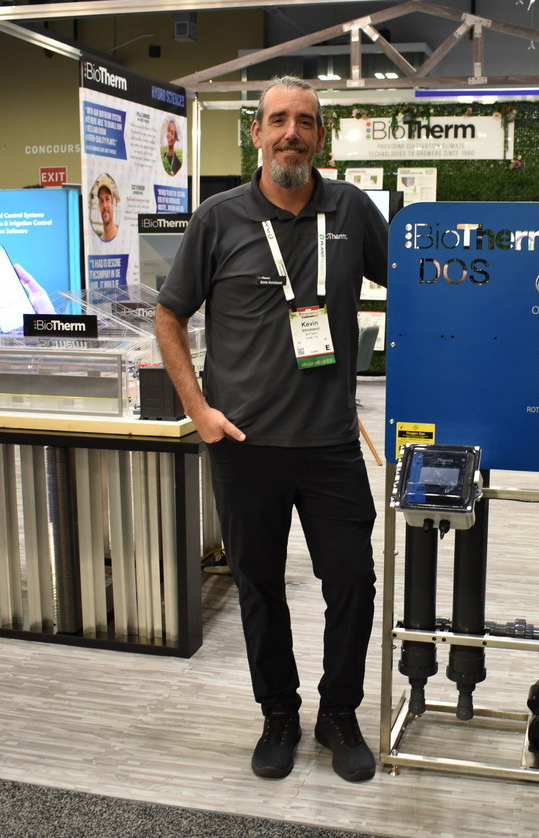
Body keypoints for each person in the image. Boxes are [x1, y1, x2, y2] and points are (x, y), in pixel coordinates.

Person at [155, 76, 389, 783]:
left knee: (352, 582)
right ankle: (278, 714)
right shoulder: (219, 218)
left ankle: (339, 712)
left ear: (321, 136)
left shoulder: (352, 210)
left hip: (330, 444)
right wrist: (199, 410)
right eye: (279, 120)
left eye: (306, 122)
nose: (292, 132)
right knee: (259, 586)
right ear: (256, 133)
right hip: (244, 446)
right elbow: (170, 315)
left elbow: (412, 283)